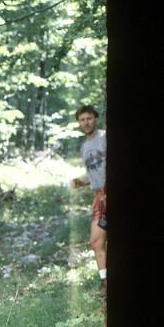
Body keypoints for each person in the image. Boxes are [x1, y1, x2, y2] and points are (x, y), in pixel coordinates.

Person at [71, 105, 107, 294]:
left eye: (89, 118)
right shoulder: (84, 147)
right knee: (96, 241)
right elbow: (94, 173)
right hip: (99, 197)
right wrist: (80, 182)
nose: (86, 122)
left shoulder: (105, 138)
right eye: (82, 119)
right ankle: (105, 282)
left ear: (95, 119)